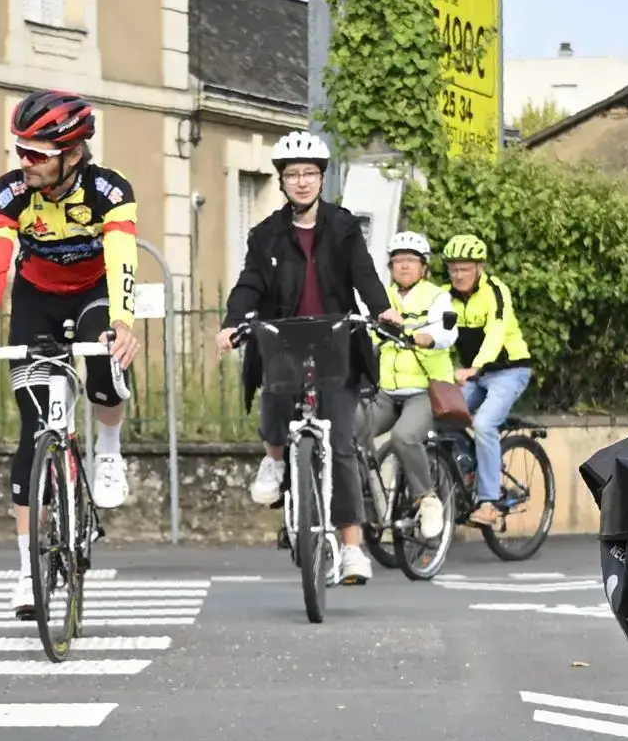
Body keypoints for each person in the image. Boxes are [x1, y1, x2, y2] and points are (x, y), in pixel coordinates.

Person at [0, 90, 143, 609]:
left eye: (37, 154)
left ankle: (109, 451)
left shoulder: (109, 190)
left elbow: (122, 256)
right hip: (37, 297)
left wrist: (124, 323)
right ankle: (26, 572)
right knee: (31, 428)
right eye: (21, 150)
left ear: (72, 152)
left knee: (107, 367)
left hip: (95, 292)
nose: (25, 163)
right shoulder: (9, 193)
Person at [223, 129, 380, 584]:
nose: (302, 182)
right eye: (293, 175)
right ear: (283, 181)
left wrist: (383, 308)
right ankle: (275, 457)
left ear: (321, 179)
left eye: (310, 173)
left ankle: (352, 549)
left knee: (343, 443)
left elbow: (364, 276)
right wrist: (233, 320)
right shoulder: (266, 235)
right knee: (273, 403)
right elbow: (249, 282)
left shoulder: (344, 227)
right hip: (284, 339)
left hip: (336, 340)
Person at [365, 229, 461, 546]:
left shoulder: (436, 296)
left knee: (404, 436)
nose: (403, 266)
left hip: (424, 389)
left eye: (410, 260)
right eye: (397, 261)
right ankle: (369, 496)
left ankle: (427, 498)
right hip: (387, 391)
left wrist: (425, 337)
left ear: (423, 267)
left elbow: (448, 332)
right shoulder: (381, 298)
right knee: (348, 433)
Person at [432, 233, 532, 514]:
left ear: (480, 268)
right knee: (442, 416)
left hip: (509, 370)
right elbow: (431, 333)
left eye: (464, 268)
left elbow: (496, 332)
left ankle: (488, 500)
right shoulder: (443, 297)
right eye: (453, 268)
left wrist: (476, 366)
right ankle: (472, 465)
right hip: (473, 374)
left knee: (485, 424)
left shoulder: (496, 291)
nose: (458, 274)